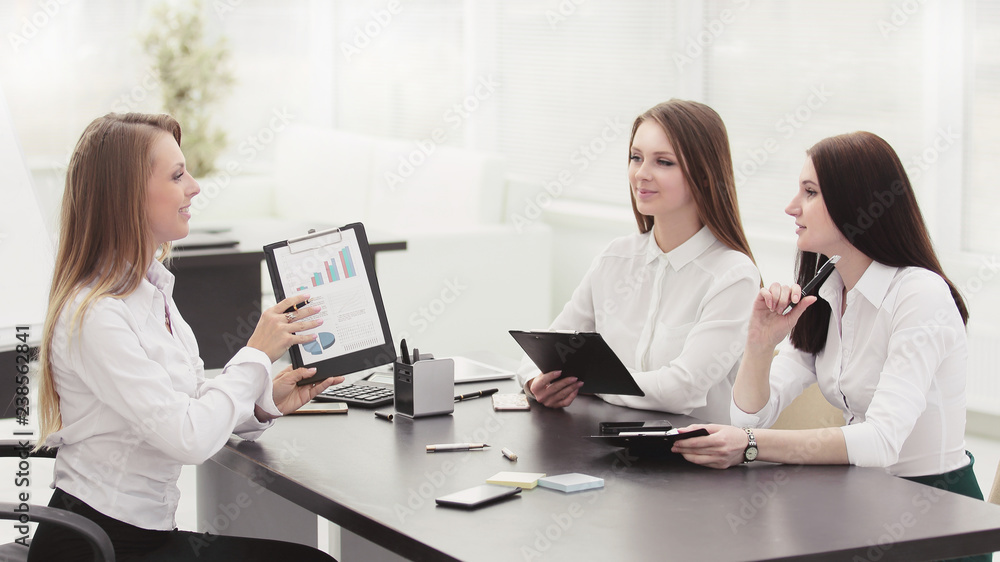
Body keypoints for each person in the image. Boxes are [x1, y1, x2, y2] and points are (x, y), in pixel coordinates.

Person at [29, 113, 341, 562]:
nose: (194, 187)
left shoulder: (150, 291)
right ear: (126, 197)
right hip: (97, 546)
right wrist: (255, 354)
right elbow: (188, 438)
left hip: (140, 536)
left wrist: (261, 400)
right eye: (177, 176)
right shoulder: (96, 314)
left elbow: (190, 402)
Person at [672, 132, 987, 560]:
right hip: (863, 503)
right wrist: (760, 344)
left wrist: (749, 443)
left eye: (810, 192)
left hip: (936, 519)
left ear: (857, 202)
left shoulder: (920, 295)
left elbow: (880, 442)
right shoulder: (829, 291)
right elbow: (750, 413)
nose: (791, 207)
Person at [517, 100, 761, 423]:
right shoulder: (614, 259)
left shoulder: (734, 276)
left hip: (693, 464)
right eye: (636, 157)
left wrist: (591, 384)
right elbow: (541, 351)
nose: (641, 174)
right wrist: (537, 383)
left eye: (663, 162)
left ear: (703, 176)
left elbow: (682, 389)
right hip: (609, 450)